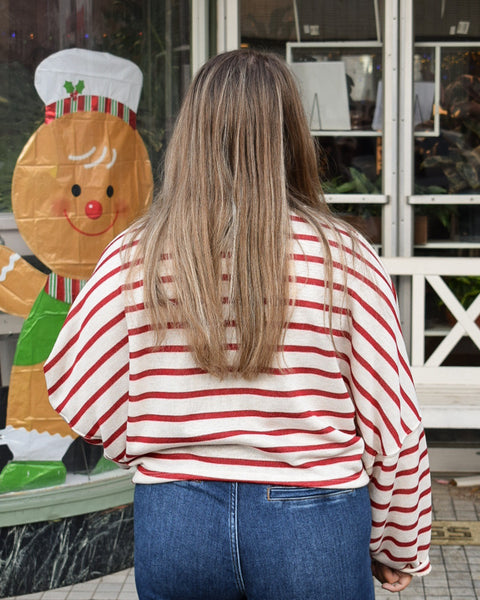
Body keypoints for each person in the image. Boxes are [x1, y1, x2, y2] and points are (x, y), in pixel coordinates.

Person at [44, 49, 431, 600]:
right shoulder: (345, 255)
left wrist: (159, 448)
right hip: (314, 518)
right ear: (291, 133)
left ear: (191, 133)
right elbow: (392, 423)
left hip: (176, 516)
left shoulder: (136, 253)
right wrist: (400, 544)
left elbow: (74, 385)